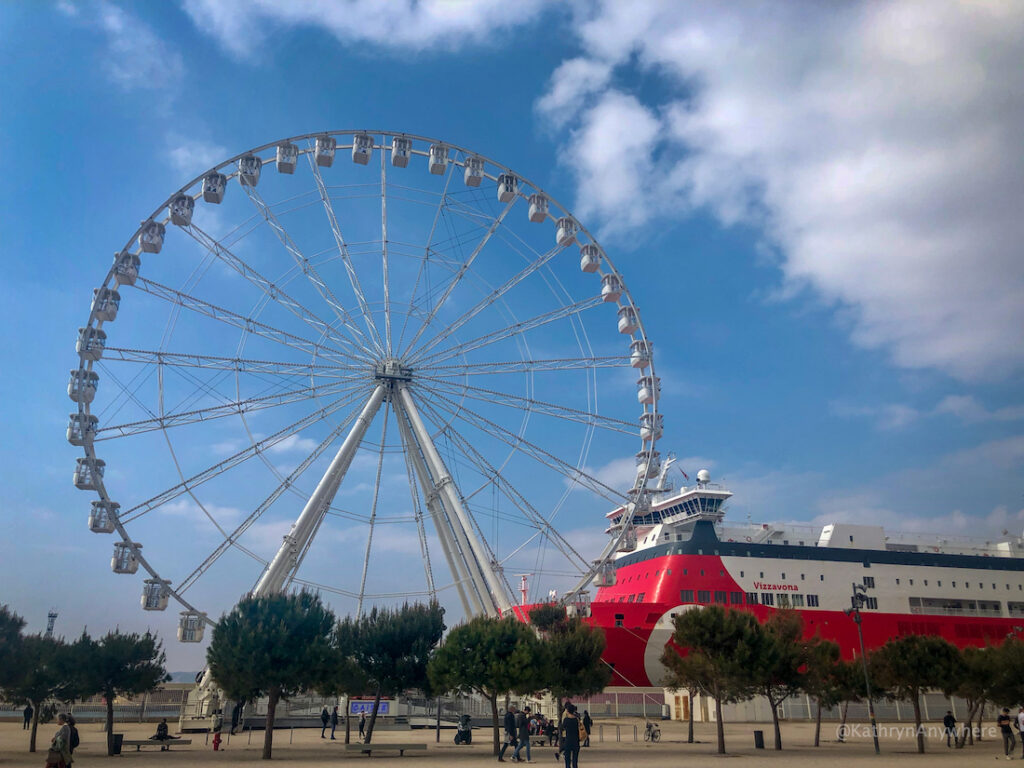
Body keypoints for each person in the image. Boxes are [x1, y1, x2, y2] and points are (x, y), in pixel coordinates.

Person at [559, 704, 581, 768]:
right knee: (575, 759)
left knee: (567, 759)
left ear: (568, 711)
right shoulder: (576, 719)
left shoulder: (566, 720)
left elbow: (562, 728)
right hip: (576, 740)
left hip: (568, 740)